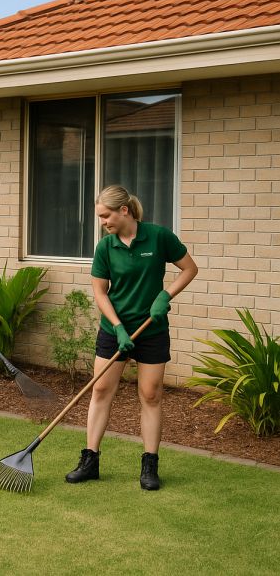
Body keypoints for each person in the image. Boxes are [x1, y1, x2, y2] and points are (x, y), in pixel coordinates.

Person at [65, 185, 197, 491]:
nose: (103, 222)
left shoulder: (159, 236)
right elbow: (100, 291)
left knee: (151, 395)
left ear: (124, 211)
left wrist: (166, 295)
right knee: (100, 392)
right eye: (100, 217)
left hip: (151, 329)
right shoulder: (105, 247)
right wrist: (118, 326)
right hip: (115, 331)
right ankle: (90, 461)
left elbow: (189, 269)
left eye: (105, 215)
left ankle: (149, 465)